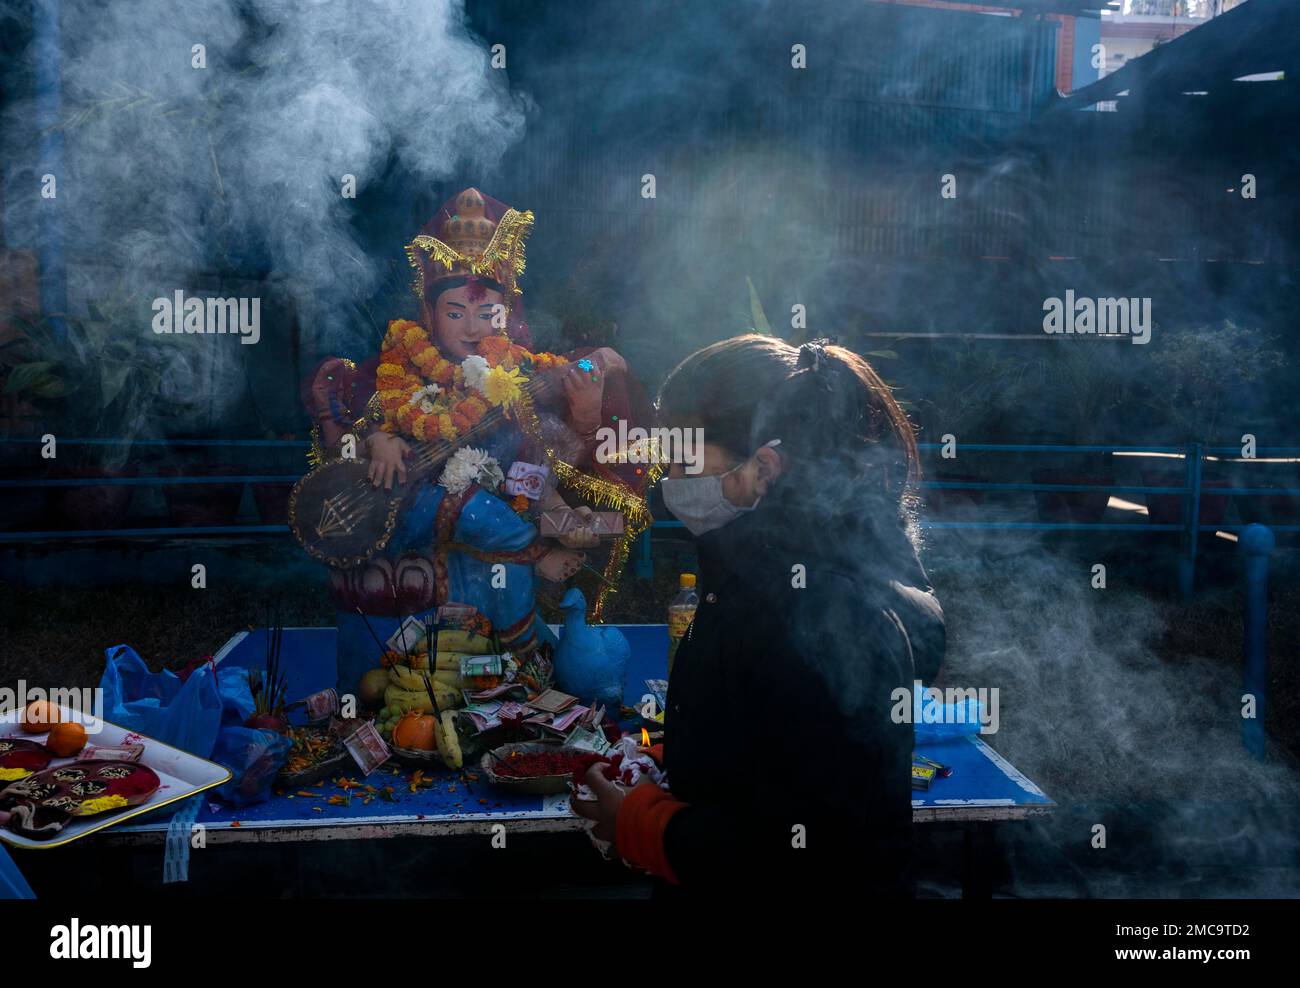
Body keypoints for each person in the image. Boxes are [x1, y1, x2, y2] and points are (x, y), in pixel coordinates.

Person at [572, 334, 945, 896]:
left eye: (683, 459)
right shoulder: (754, 575)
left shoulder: (822, 610)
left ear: (763, 469)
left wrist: (644, 826)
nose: (668, 479)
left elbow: (819, 850)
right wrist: (687, 752)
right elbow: (778, 752)